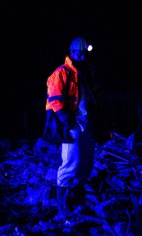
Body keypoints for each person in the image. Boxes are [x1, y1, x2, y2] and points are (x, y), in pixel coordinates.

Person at [45, 36, 106, 217]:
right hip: (74, 124)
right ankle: (63, 208)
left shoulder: (86, 73)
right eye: (78, 52)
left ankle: (78, 204)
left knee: (85, 165)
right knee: (71, 163)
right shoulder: (62, 73)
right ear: (71, 52)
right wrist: (68, 122)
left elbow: (95, 100)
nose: (81, 55)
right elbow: (55, 100)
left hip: (87, 124)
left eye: (83, 52)